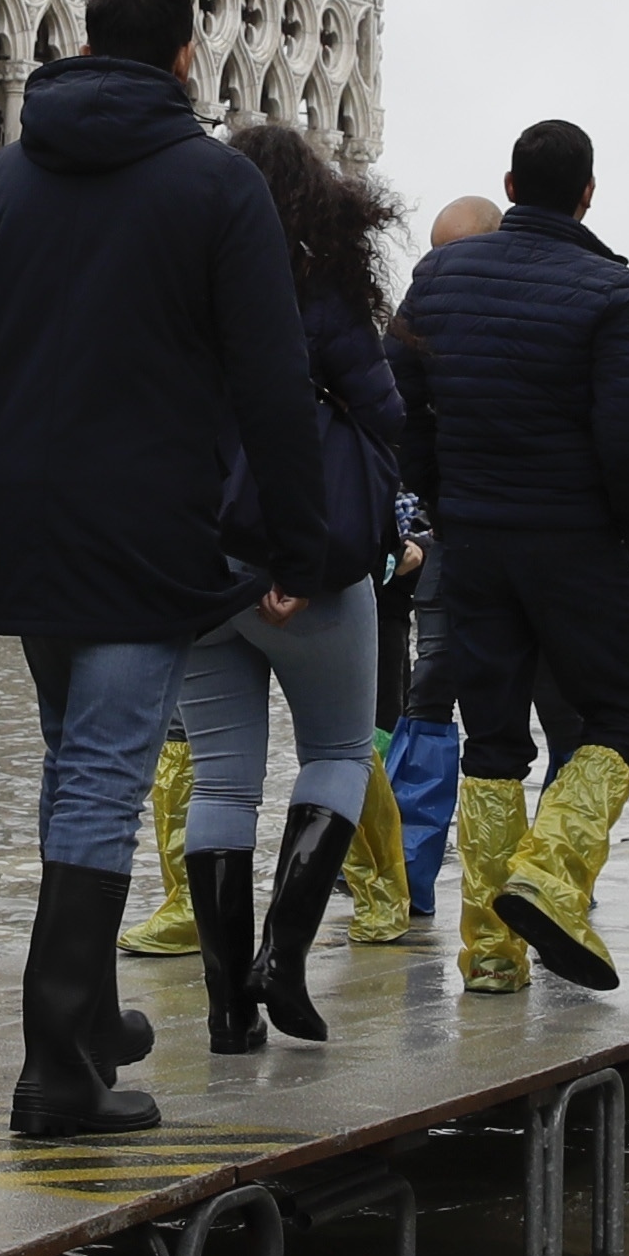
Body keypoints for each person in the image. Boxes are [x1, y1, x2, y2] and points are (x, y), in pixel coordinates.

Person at [0, 0, 332, 1125]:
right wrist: (303, 545)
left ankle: (89, 1018)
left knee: (72, 758)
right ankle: (56, 1067)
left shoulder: (5, 181)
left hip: (30, 525)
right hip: (147, 531)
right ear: (186, 56)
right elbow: (275, 387)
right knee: (99, 773)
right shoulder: (215, 187)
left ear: (86, 43)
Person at [393, 119, 629, 993]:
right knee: (620, 721)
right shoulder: (612, 291)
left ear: (510, 186)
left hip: (470, 541)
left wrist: (441, 499)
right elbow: (628, 432)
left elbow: (400, 410)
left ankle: (491, 956)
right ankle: (548, 876)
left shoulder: (435, 277)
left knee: (493, 737)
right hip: (574, 540)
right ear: (589, 194)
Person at [164, 122, 414, 1012]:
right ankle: (283, 960)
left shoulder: (179, 286)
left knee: (223, 777)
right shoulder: (320, 289)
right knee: (340, 752)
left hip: (197, 569)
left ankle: (228, 1009)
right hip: (301, 564)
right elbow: (382, 413)